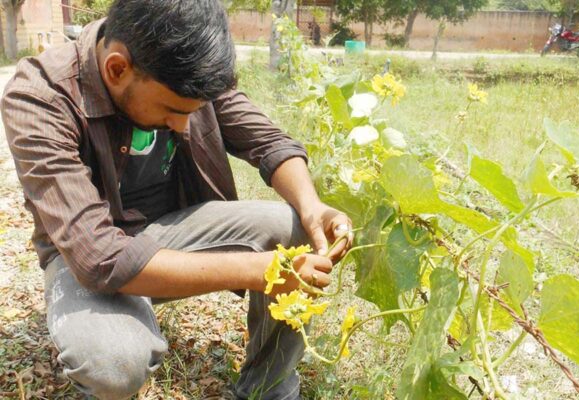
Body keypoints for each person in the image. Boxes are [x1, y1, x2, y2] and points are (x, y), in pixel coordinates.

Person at [1, 1, 352, 399]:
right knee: (113, 362)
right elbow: (98, 256)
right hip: (84, 257)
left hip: (169, 233)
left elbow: (269, 142)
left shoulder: (187, 70)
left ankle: (267, 390)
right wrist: (264, 269)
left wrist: (312, 208)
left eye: (194, 111)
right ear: (117, 69)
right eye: (172, 110)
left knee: (294, 228)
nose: (183, 125)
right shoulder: (40, 98)